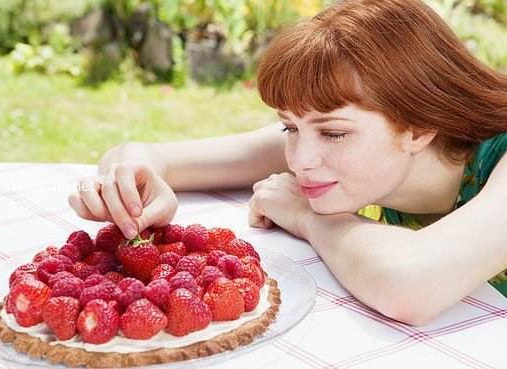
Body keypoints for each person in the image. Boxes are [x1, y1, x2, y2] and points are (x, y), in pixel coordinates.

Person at [68, 0, 507, 326]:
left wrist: (306, 215)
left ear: (418, 125)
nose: (300, 160)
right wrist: (132, 173)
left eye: (333, 132)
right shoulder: (337, 141)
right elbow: (153, 156)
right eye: (290, 128)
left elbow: (411, 284)